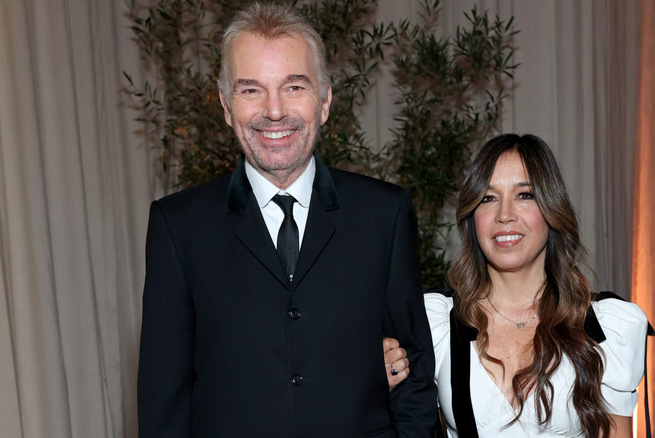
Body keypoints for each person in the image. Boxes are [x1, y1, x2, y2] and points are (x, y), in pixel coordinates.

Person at [136, 3, 437, 436]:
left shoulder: (383, 214)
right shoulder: (178, 227)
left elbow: (415, 374)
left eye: (294, 87)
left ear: (326, 100)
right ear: (225, 105)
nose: (274, 111)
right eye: (251, 90)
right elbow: (164, 402)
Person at [393, 134, 649, 437]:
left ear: (552, 209)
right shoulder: (435, 324)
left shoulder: (603, 328)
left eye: (524, 195)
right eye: (488, 198)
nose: (504, 215)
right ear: (472, 217)